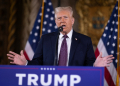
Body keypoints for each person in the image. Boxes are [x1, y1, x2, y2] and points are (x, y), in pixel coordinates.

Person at [7, 6, 114, 67]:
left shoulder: (85, 40)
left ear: (72, 21)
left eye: (65, 17)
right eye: (59, 18)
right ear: (55, 22)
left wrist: (95, 65)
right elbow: (37, 62)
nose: (62, 20)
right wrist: (25, 63)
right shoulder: (46, 39)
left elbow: (89, 64)